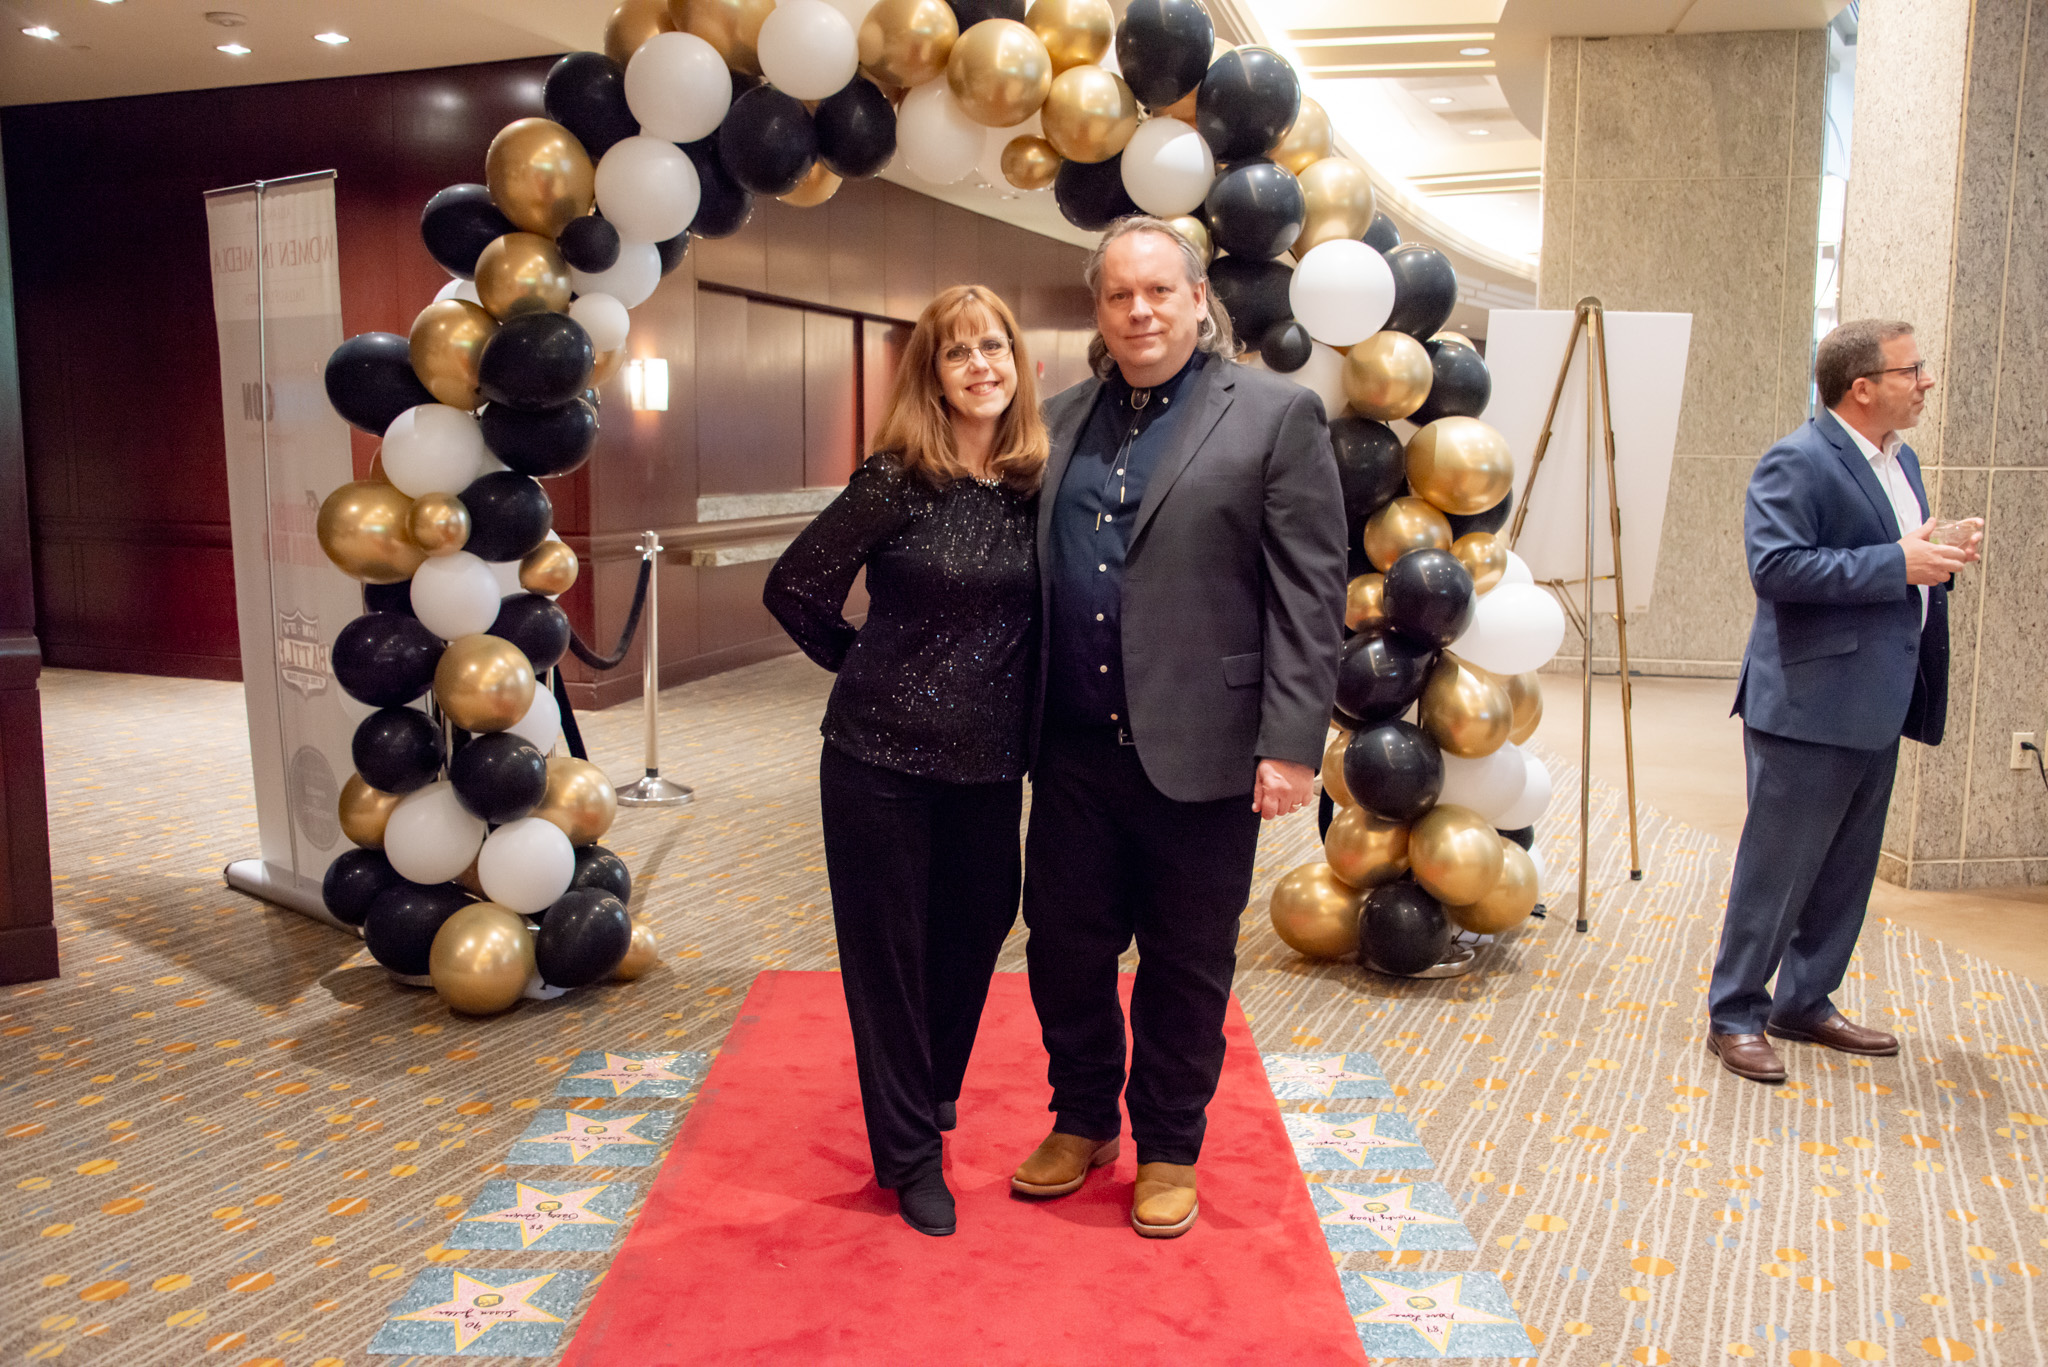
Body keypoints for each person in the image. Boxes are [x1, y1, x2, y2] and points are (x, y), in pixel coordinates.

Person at [1009, 217, 1348, 1237]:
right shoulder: (1057, 419)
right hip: (1070, 747)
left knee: (1185, 960)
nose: (1139, 311)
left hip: (1206, 746)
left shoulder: (1275, 414)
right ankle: (1081, 1117)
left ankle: (1167, 1143)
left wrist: (1290, 742)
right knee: (1062, 948)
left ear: (1200, 299)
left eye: (1159, 290)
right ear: (1098, 309)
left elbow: (1309, 591)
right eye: (1119, 294)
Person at [763, 285, 1047, 1236]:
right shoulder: (896, 480)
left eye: (993, 347)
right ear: (931, 375)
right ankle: (910, 1154)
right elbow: (796, 586)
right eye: (957, 352)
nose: (979, 366)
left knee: (978, 927)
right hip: (877, 759)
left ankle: (930, 1090)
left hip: (989, 765)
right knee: (886, 957)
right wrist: (863, 664)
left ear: (1019, 363)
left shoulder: (1035, 490)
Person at [1706, 319, 1982, 1084]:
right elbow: (1777, 567)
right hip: (1807, 704)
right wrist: (1898, 562)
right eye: (1911, 370)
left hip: (1879, 697)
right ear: (1862, 387)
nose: (1926, 382)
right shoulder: (1797, 460)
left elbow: (1894, 559)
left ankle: (1805, 1000)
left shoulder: (1902, 460)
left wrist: (1935, 556)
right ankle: (1735, 1013)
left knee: (1845, 871)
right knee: (1777, 871)